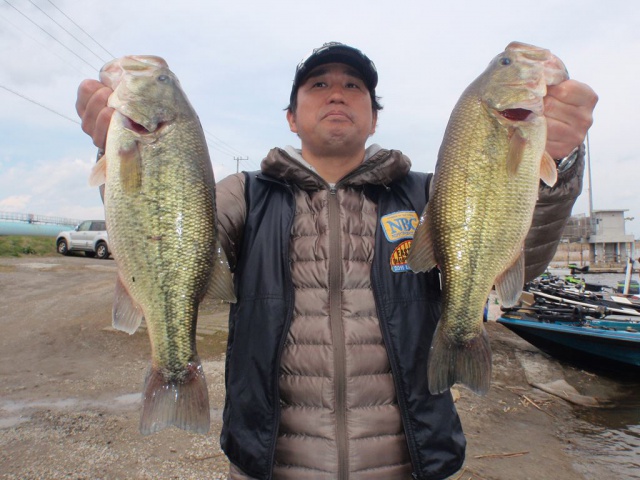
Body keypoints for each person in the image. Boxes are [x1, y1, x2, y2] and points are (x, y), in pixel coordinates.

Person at [76, 42, 598, 480]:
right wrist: (124, 163)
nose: (337, 94)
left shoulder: (432, 195)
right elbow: (170, 238)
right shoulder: (244, 195)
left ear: (374, 117)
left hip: (410, 460)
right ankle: (174, 374)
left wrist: (555, 166)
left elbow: (519, 250)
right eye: (318, 85)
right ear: (291, 116)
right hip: (272, 463)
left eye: (354, 87)